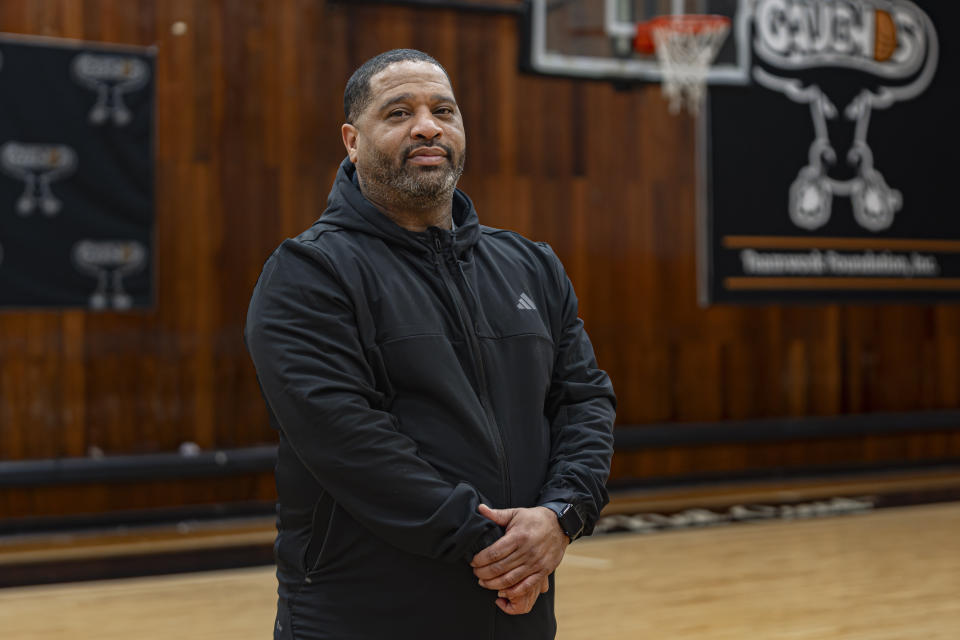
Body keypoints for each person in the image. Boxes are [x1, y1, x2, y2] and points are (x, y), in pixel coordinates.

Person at [245, 48, 615, 640]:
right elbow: (347, 439)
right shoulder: (309, 272)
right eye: (398, 113)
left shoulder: (532, 266)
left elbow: (584, 400)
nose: (427, 125)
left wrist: (561, 516)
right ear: (352, 141)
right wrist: (496, 546)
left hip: (517, 606)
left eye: (443, 110)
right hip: (366, 615)